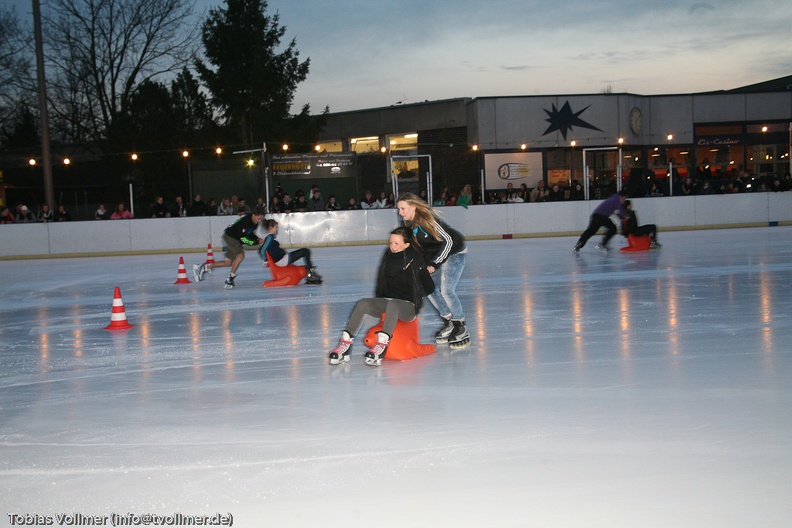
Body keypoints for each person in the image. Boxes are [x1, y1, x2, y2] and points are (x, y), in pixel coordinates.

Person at [328, 227, 435, 367]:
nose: (392, 247)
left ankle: (381, 346)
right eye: (391, 243)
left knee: (394, 305)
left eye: (397, 243)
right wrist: (380, 298)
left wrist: (416, 290)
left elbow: (430, 287)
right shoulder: (388, 255)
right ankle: (345, 346)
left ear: (407, 244)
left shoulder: (416, 259)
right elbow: (382, 278)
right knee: (363, 303)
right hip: (388, 301)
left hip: (407, 306)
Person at [396, 192, 470, 349]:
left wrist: (434, 264)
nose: (400, 212)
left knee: (447, 290)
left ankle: (460, 324)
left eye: (403, 209)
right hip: (434, 255)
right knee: (428, 287)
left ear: (413, 207)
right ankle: (449, 321)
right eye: (399, 209)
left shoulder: (427, 219)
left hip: (454, 252)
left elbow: (448, 241)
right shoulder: (408, 223)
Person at [193, 206, 266, 289]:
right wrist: (256, 242)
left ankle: (203, 267)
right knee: (240, 255)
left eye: (261, 219)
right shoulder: (245, 222)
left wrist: (256, 238)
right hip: (231, 237)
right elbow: (243, 238)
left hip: (232, 237)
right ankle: (229, 279)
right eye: (258, 218)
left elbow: (249, 233)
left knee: (229, 263)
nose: (259, 221)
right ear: (253, 215)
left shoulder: (253, 222)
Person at [256, 219, 322, 285]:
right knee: (305, 251)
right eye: (276, 227)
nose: (277, 229)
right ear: (270, 228)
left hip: (281, 259)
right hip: (281, 260)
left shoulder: (267, 237)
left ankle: (310, 272)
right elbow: (262, 250)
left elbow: (261, 249)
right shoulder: (269, 236)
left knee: (305, 251)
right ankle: (310, 274)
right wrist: (265, 261)